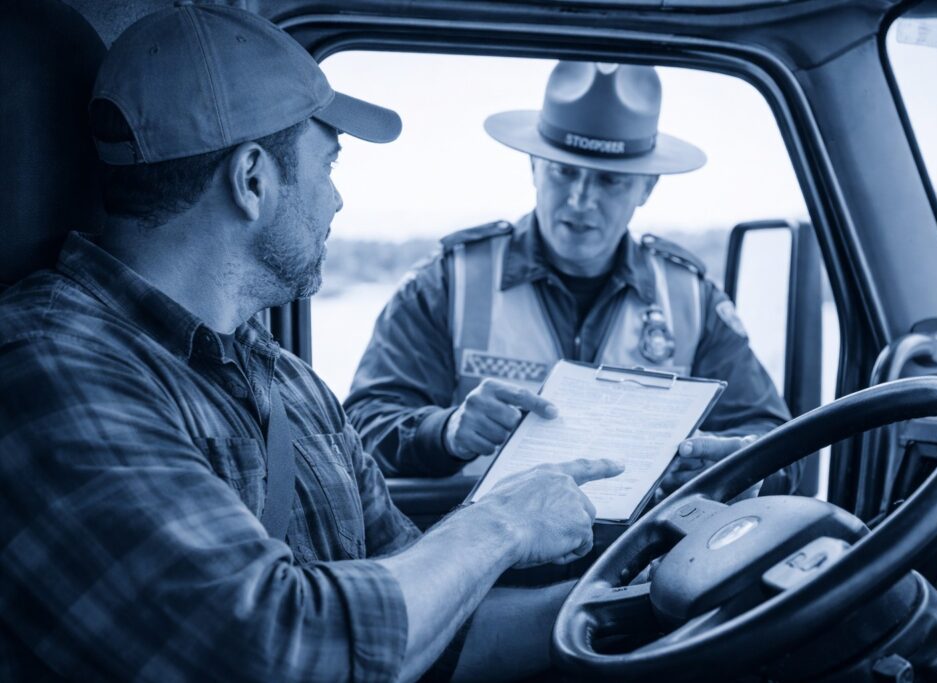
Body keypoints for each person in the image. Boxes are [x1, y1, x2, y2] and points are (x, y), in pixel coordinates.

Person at [0, 5, 623, 682]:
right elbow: (274, 650)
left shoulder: (290, 384)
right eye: (328, 165)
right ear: (253, 180)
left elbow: (435, 621)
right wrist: (499, 525)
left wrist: (625, 609)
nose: (338, 201)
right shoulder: (51, 369)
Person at [345, 61, 799, 495]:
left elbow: (783, 446)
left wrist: (734, 464)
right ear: (534, 167)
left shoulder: (693, 298)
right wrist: (448, 432)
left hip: (644, 564)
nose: (581, 200)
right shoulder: (447, 281)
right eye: (564, 172)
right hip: (484, 561)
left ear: (647, 187)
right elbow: (360, 429)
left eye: (608, 181)